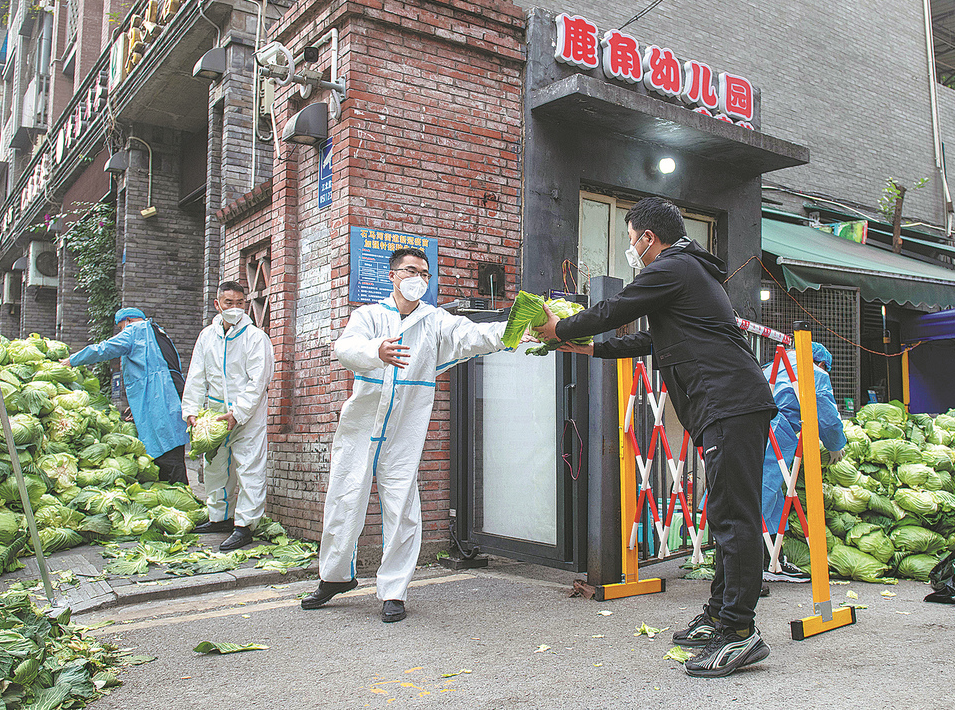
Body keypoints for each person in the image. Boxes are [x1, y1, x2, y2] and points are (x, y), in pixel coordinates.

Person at [535, 197, 776, 678]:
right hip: (728, 404)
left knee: (734, 518)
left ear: (649, 237)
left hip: (729, 402)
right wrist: (590, 348)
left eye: (631, 240)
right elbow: (652, 340)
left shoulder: (673, 267)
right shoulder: (689, 272)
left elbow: (616, 307)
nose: (632, 250)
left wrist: (560, 326)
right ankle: (720, 615)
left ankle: (739, 630)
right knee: (725, 514)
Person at [302, 247, 510, 623]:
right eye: (411, 271)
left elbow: (474, 335)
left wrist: (516, 330)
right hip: (361, 426)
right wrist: (376, 351)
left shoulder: (435, 320)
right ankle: (335, 577)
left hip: (405, 428)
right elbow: (345, 348)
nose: (418, 279)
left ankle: (394, 591)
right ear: (393, 275)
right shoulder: (369, 316)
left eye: (425, 274)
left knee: (402, 506)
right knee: (344, 496)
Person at [182, 281, 275, 552]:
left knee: (249, 468)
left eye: (239, 303)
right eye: (228, 303)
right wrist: (191, 410)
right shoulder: (207, 337)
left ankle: (245, 526)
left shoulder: (256, 338)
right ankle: (220, 518)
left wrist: (238, 413)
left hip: (247, 416)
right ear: (217, 304)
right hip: (214, 415)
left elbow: (258, 382)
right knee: (215, 467)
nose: (235, 308)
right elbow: (196, 375)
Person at [62, 307, 189, 485]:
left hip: (158, 400)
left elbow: (103, 349)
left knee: (165, 454)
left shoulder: (135, 331)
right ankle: (180, 492)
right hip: (169, 397)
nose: (122, 332)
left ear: (128, 320)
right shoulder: (158, 332)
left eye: (121, 327)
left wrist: (72, 360)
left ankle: (178, 493)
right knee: (173, 450)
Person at [761, 342, 846, 576]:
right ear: (822, 363)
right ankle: (755, 566)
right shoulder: (814, 372)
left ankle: (770, 560)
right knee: (762, 493)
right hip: (775, 431)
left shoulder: (773, 366)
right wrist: (835, 445)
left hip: (748, 427)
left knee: (766, 495)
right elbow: (826, 415)